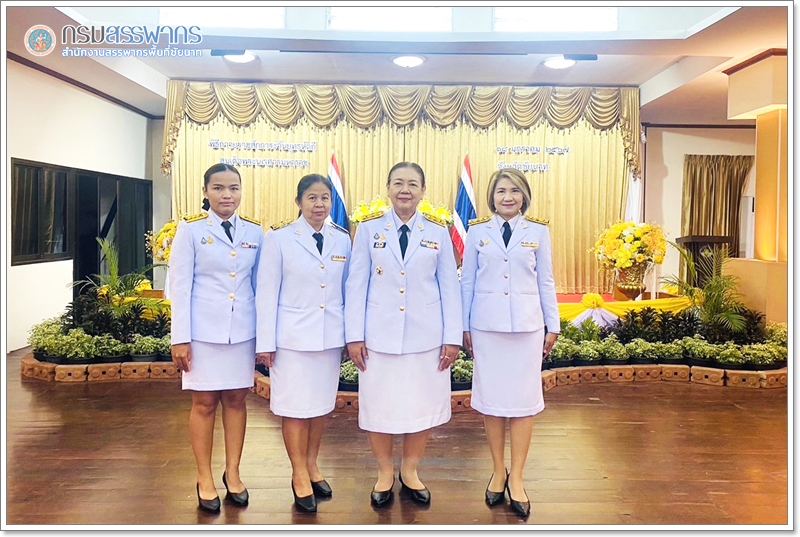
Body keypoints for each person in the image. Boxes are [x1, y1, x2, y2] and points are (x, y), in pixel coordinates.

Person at [344, 162, 462, 508]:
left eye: (412, 184)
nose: (405, 190)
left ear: (423, 190)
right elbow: (356, 284)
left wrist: (452, 337)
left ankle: (410, 470)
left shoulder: (438, 231)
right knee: (379, 406)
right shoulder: (367, 230)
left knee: (420, 406)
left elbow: (449, 289)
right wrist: (354, 335)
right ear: (388, 188)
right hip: (378, 337)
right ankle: (384, 472)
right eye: (398, 183)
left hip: (426, 338)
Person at [460, 168, 560, 518]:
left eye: (515, 191)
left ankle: (516, 476)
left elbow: (546, 280)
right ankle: (497, 469)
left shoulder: (538, 231)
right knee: (491, 401)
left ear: (524, 196)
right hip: (486, 327)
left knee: (523, 402)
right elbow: (467, 282)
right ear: (492, 195)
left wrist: (553, 324)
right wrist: (463, 326)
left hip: (527, 328)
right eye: (501, 190)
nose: (508, 197)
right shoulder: (477, 232)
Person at [169, 163, 263, 513]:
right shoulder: (191, 231)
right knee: (204, 404)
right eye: (219, 188)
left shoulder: (255, 232)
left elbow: (259, 288)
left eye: (234, 188)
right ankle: (204, 476)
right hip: (203, 334)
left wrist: (263, 339)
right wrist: (180, 338)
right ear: (206, 191)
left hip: (242, 333)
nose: (227, 195)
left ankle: (233, 473)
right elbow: (180, 287)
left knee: (237, 401)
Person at [255, 174, 351, 514]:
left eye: (325, 198)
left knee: (320, 406)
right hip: (291, 340)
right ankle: (298, 473)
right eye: (312, 198)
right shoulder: (279, 239)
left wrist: (349, 337)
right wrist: (264, 342)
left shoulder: (341, 239)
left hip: (328, 339)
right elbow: (266, 293)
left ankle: (312, 464)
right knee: (295, 408)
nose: (319, 204)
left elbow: (348, 291)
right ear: (298, 202)